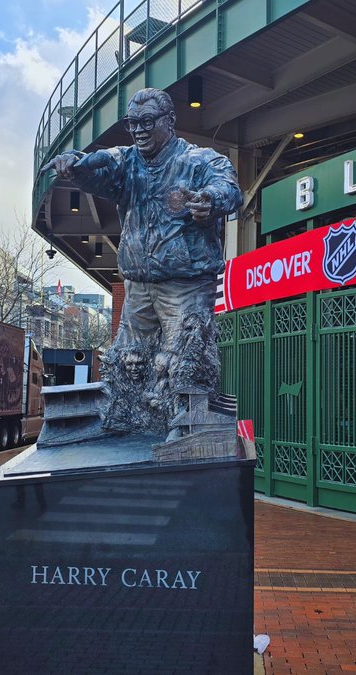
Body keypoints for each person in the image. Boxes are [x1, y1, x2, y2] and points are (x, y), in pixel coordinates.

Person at [42, 87, 241, 434]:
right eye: (132, 123)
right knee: (129, 357)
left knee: (186, 356)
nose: (138, 130)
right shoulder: (126, 160)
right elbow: (97, 167)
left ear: (169, 121)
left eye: (146, 121)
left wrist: (211, 198)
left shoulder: (200, 160)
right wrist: (73, 165)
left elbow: (228, 187)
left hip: (186, 283)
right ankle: (127, 423)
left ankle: (189, 430)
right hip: (138, 284)